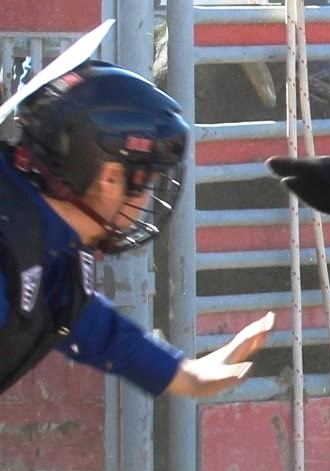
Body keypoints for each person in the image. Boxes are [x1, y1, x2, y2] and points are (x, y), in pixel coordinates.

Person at [0, 56, 274, 398]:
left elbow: (82, 316)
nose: (147, 199)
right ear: (109, 176)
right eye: (147, 180)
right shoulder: (14, 244)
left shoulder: (37, 237)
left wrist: (182, 374)